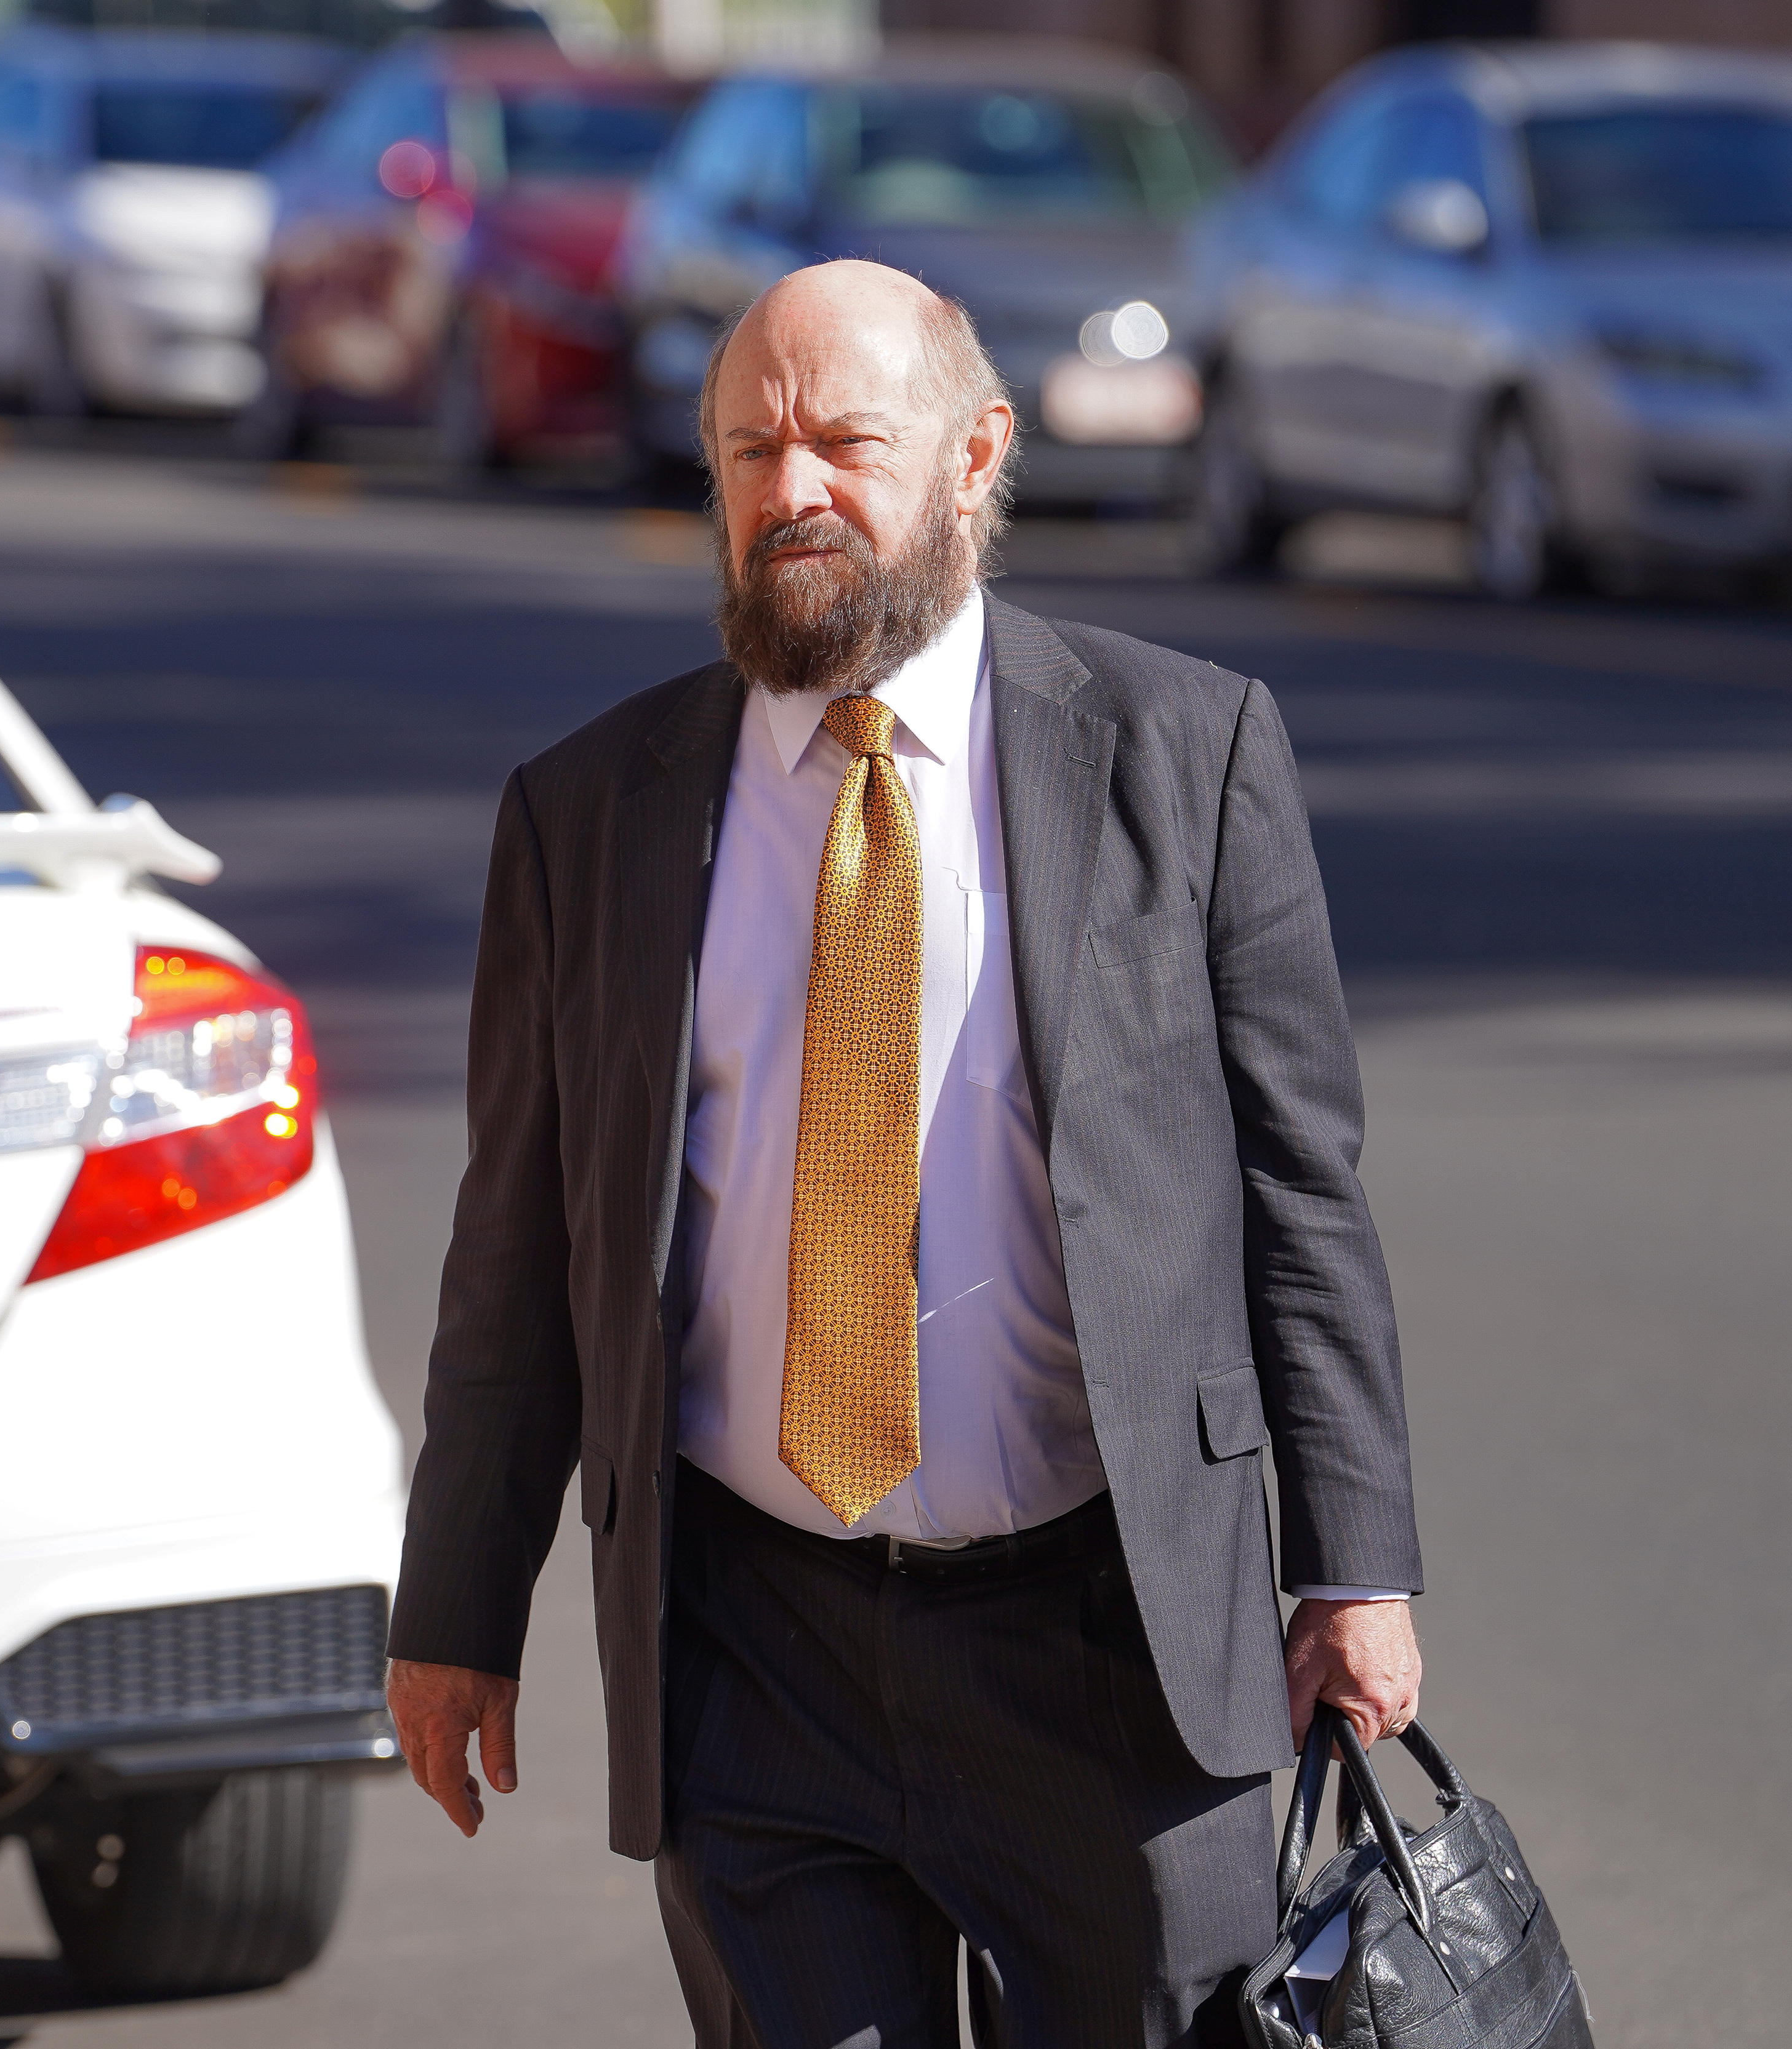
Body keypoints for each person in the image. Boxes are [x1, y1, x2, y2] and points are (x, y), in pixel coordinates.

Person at [384, 262, 1425, 2046]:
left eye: (845, 446)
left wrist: (1356, 1566)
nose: (790, 491)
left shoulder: (1182, 754)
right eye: (748, 451)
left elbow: (1296, 1189)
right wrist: (459, 1603)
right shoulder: (590, 813)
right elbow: (521, 1244)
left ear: (976, 454)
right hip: (754, 1651)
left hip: (1105, 1641)